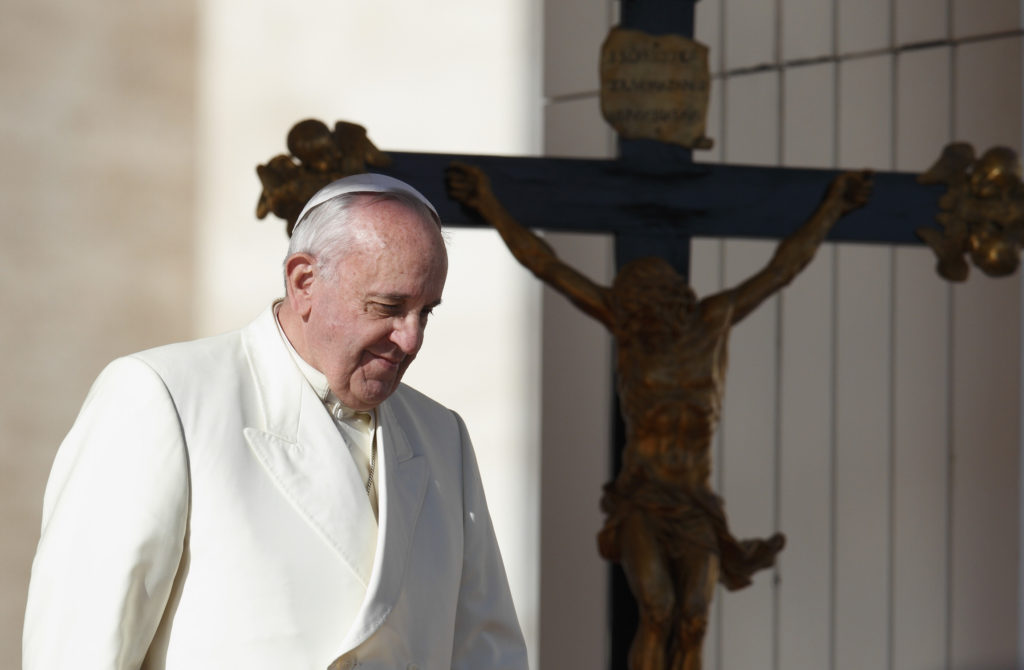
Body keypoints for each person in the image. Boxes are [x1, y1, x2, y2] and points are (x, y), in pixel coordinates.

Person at [24, 174, 528, 670]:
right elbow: (81, 649)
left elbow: (485, 653)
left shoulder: (443, 436)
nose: (412, 339)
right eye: (388, 307)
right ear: (304, 281)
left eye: (427, 312)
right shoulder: (162, 397)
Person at [447, 162, 872, 670]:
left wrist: (833, 209)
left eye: (648, 310)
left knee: (693, 616)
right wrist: (489, 205)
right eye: (633, 312)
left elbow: (780, 270)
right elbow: (547, 265)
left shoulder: (712, 322)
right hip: (643, 502)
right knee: (658, 609)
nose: (641, 321)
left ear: (670, 304)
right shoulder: (627, 330)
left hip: (695, 503)